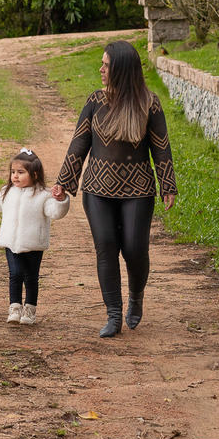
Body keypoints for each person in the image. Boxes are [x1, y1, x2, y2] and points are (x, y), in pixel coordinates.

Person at [52, 40, 177, 338]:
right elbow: (79, 143)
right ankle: (113, 314)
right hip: (97, 189)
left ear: (121, 69)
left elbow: (161, 147)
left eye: (106, 65)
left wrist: (167, 184)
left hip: (138, 189)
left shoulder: (149, 103)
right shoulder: (95, 100)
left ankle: (136, 296)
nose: (101, 69)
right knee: (106, 247)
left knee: (134, 249)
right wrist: (64, 182)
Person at [0, 148, 70, 326]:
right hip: (11, 243)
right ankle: (15, 307)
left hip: (34, 244)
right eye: (13, 172)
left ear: (35, 174)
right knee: (15, 274)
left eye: (20, 172)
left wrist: (61, 200)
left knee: (31, 278)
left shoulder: (43, 195)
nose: (15, 176)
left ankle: (30, 310)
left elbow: (56, 213)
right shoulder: (7, 192)